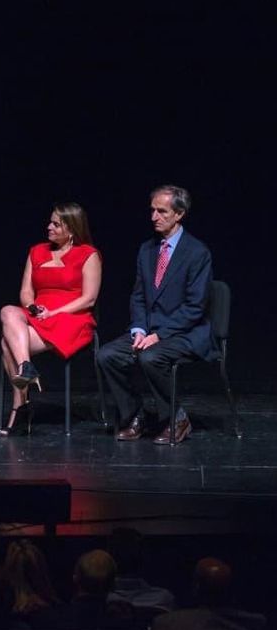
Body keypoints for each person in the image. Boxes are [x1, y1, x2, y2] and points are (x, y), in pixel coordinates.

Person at [98, 185, 213, 444]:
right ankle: (135, 415)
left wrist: (159, 335)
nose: (154, 217)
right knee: (107, 355)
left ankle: (176, 417)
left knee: (150, 357)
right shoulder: (147, 250)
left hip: (185, 332)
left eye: (162, 211)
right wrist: (139, 329)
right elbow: (139, 295)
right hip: (149, 329)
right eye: (152, 210)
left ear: (179, 214)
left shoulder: (197, 252)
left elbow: (195, 307)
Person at [0, 202, 101, 435]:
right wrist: (33, 307)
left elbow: (89, 299)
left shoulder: (88, 255)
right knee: (8, 311)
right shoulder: (37, 251)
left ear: (71, 229)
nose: (49, 227)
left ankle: (20, 408)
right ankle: (26, 367)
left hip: (71, 318)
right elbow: (26, 292)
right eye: (50, 222)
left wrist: (53, 313)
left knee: (6, 343)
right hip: (38, 314)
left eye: (56, 224)